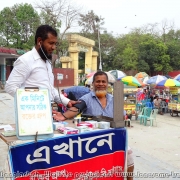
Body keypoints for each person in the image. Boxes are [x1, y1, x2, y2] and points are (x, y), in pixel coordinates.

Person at [53, 71, 134, 180]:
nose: (101, 84)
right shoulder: (86, 98)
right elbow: (76, 109)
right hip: (93, 140)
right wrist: (64, 116)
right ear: (93, 83)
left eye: (103, 82)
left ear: (107, 84)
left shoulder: (115, 99)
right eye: (98, 81)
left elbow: (122, 117)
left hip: (114, 138)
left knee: (129, 157)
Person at [5, 25, 78, 107]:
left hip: (47, 113)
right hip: (30, 114)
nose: (54, 47)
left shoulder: (47, 62)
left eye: (55, 44)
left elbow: (50, 90)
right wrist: (34, 103)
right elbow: (10, 87)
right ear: (39, 41)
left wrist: (67, 101)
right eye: (51, 43)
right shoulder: (25, 60)